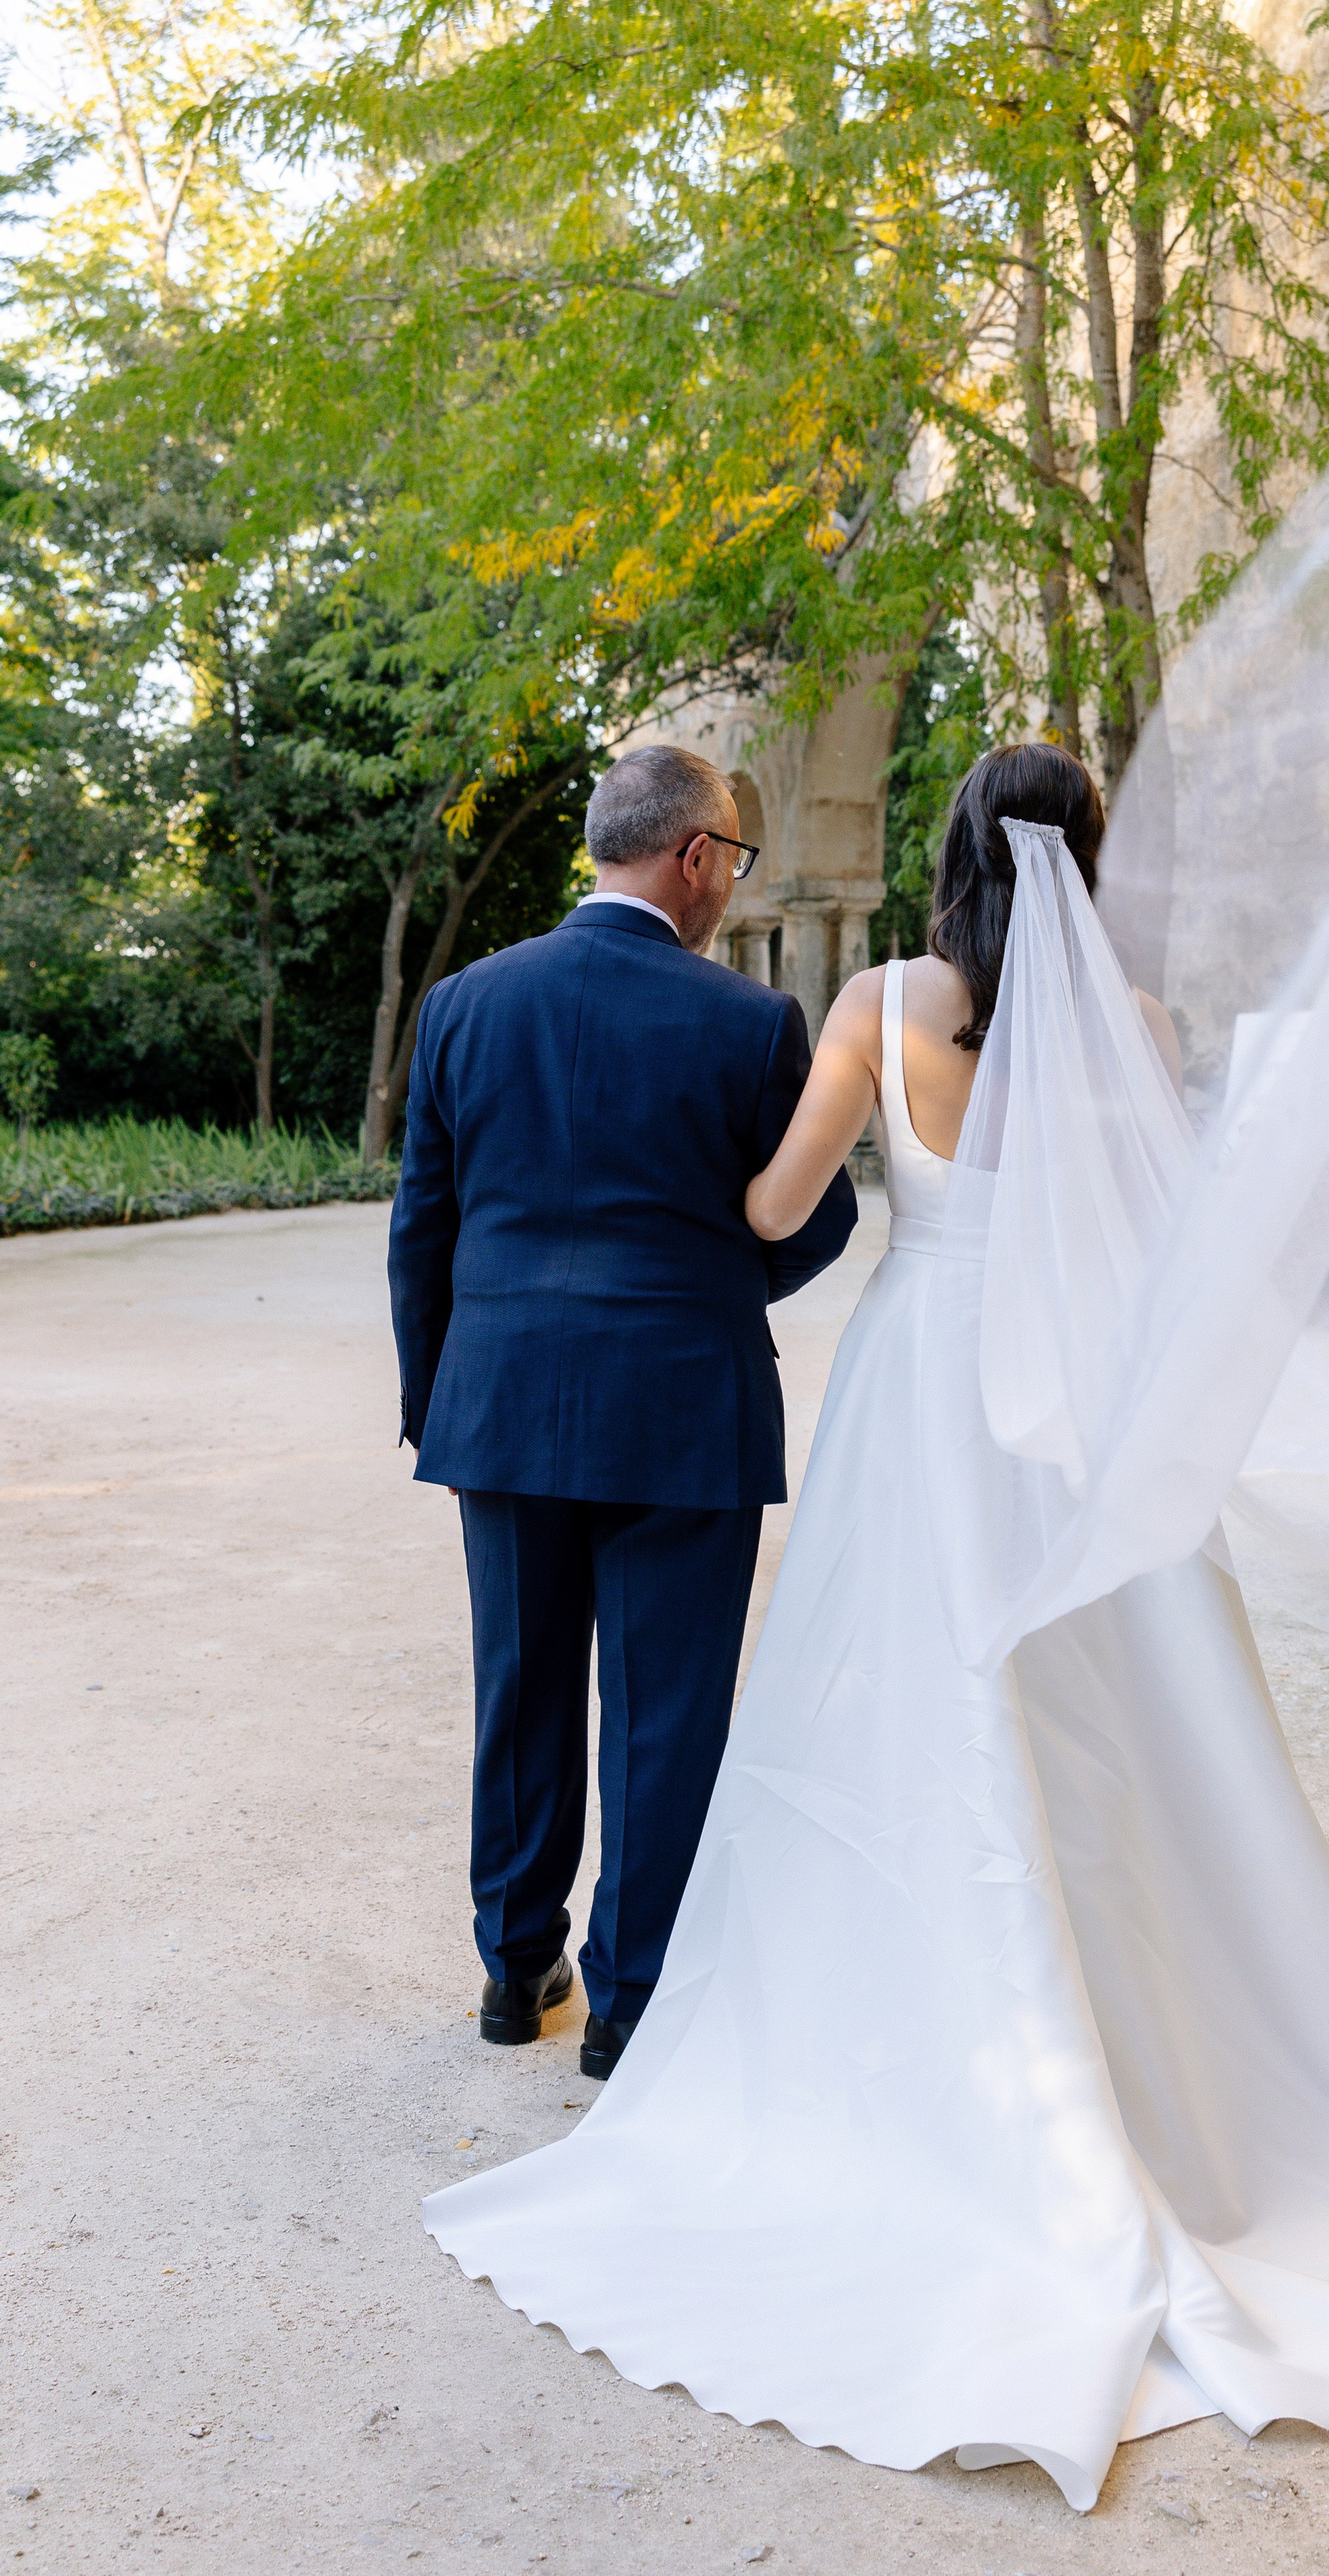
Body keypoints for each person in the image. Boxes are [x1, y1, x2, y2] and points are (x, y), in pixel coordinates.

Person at [421, 743, 1329, 2511]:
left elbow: (771, 1207)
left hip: (891, 1389)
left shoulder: (872, 1004)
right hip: (1063, 1413)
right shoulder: (1135, 1024)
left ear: (953, 849)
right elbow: (1162, 1235)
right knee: (1081, 1716)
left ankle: (634, 1986)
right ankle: (1091, 2035)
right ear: (1083, 862)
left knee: (849, 1711)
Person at [387, 743, 857, 2082]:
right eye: (733, 863)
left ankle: (510, 1962)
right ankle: (632, 2004)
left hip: (506, 1409)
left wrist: (442, 1402)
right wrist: (710, 1287)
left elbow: (423, 1228)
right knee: (666, 1712)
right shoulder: (750, 1023)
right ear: (697, 857)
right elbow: (812, 1218)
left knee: (521, 1690)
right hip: (683, 1411)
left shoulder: (467, 1004)